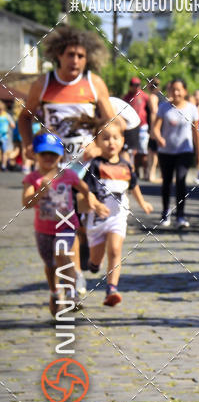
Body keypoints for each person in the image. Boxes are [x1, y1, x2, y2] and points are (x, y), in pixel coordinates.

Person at [18, 26, 113, 297]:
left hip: (86, 165)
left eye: (81, 56)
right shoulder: (44, 84)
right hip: (56, 167)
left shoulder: (94, 84)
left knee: (84, 223)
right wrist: (27, 144)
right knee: (68, 221)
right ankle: (75, 277)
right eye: (71, 55)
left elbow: (110, 120)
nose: (76, 61)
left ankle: (83, 265)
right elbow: (25, 117)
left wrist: (99, 142)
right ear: (59, 55)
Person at [22, 132, 106, 315]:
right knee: (51, 265)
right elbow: (26, 203)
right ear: (36, 154)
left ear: (60, 155)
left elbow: (84, 189)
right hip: (43, 230)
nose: (48, 158)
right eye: (44, 153)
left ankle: (71, 294)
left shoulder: (67, 174)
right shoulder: (33, 178)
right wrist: (40, 192)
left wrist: (95, 203)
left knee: (62, 253)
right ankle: (54, 292)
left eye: (52, 154)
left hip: (66, 225)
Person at [84, 118, 152, 306]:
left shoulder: (126, 166)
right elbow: (87, 190)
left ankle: (111, 289)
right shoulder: (95, 165)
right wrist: (95, 204)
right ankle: (93, 264)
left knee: (115, 250)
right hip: (98, 218)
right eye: (105, 138)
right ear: (97, 141)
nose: (111, 142)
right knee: (96, 258)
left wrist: (143, 203)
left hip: (118, 216)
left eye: (115, 138)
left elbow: (134, 186)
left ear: (122, 140)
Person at [152, 77, 199, 230]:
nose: (176, 92)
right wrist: (159, 138)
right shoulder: (164, 107)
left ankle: (180, 215)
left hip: (184, 151)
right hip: (166, 151)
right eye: (173, 89)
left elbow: (196, 133)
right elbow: (155, 128)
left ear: (185, 91)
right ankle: (165, 212)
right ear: (169, 91)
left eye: (179, 89)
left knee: (180, 180)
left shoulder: (192, 109)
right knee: (166, 182)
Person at [123, 77, 150, 179]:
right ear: (130, 86)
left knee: (143, 150)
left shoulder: (143, 96)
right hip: (131, 127)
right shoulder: (126, 97)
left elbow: (150, 109)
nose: (136, 87)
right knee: (133, 151)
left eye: (138, 85)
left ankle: (146, 172)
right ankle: (136, 172)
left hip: (143, 126)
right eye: (134, 85)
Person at [146, 77, 162, 183]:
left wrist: (153, 129)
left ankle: (151, 174)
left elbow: (154, 112)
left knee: (153, 151)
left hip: (156, 127)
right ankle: (155, 174)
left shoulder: (153, 97)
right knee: (156, 151)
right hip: (162, 127)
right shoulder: (162, 96)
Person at [0, 103, 15, 171]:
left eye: (1, 109)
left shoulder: (7, 115)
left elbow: (13, 125)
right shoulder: (5, 115)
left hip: (4, 136)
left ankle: (3, 165)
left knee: (4, 151)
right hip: (3, 136)